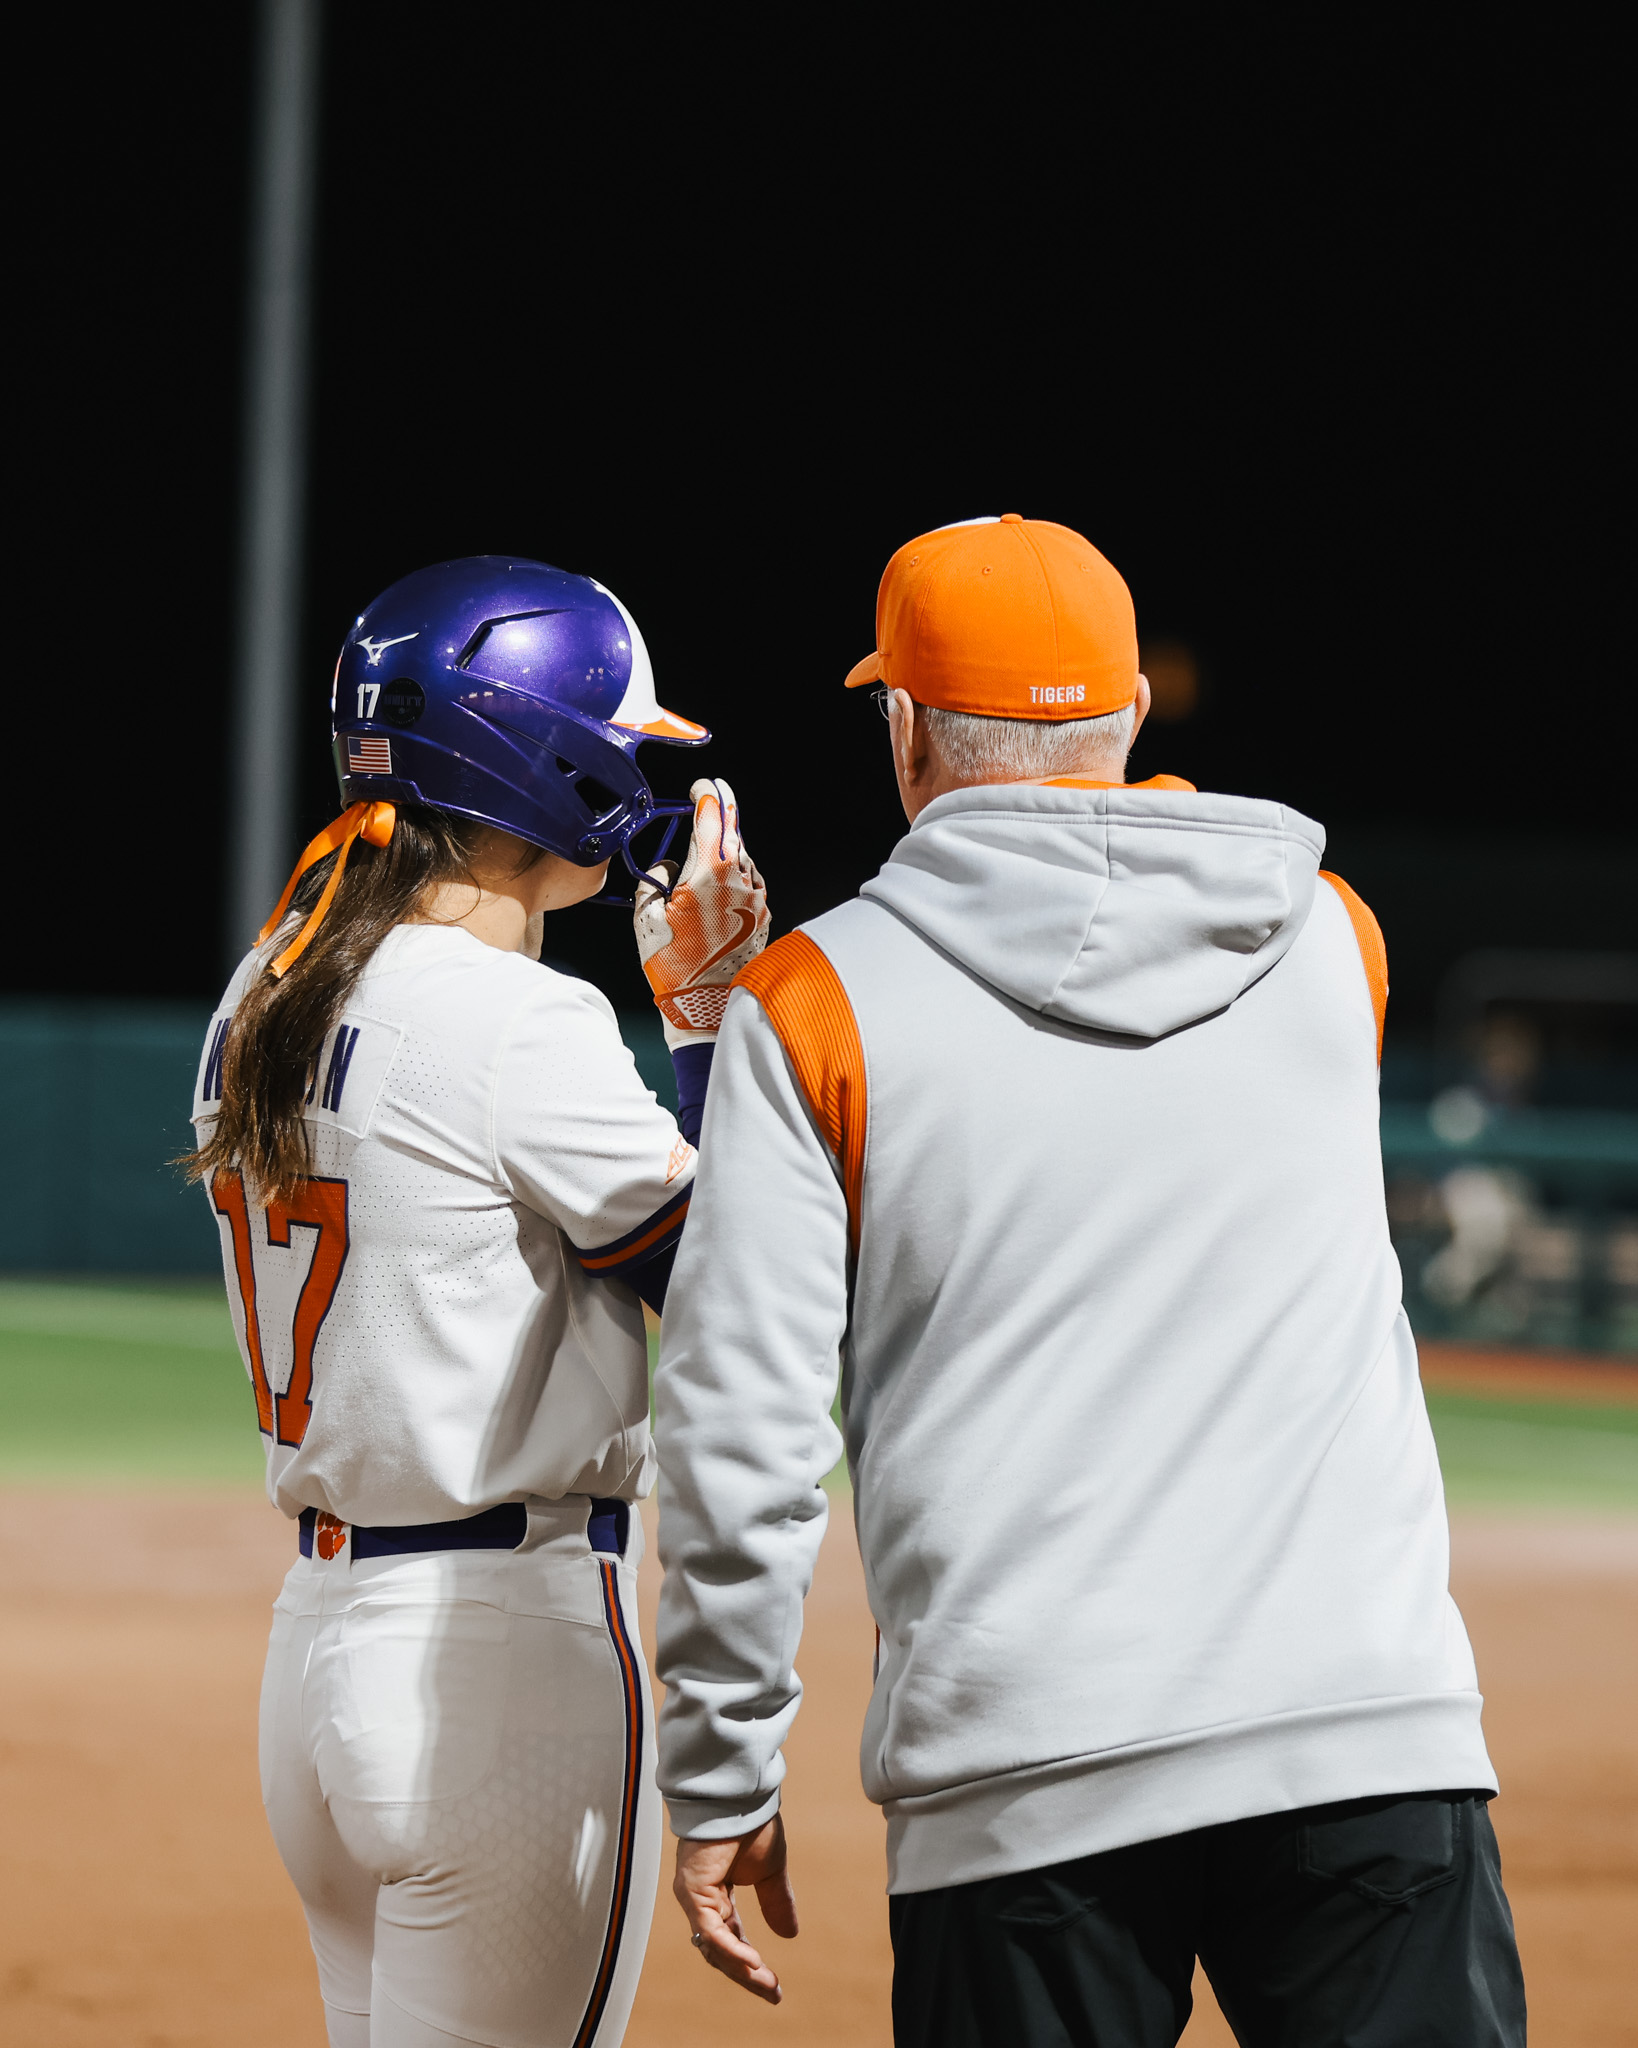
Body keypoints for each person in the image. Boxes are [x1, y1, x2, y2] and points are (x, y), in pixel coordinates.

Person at [651, 515, 1526, 2044]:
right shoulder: (1331, 934)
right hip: (1365, 1734)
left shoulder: (815, 1000)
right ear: (1128, 710)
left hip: (1024, 1775)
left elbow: (743, 1432)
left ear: (904, 729)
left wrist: (722, 1772)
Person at [188, 555, 767, 2048]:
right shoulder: (516, 1018)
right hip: (501, 1659)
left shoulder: (262, 989)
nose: (638, 779)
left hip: (320, 1655)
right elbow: (738, 1291)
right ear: (543, 760)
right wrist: (708, 1027)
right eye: (619, 745)